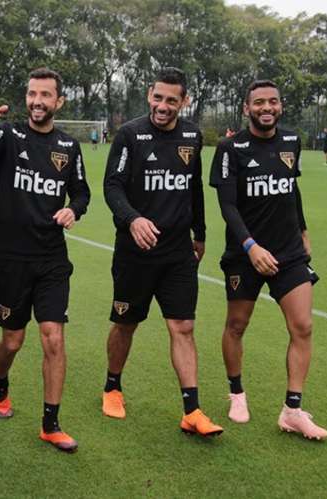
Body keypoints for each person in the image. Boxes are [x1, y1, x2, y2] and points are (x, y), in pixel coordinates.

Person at [0, 67, 91, 452]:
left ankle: (51, 423)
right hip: (12, 259)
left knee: (53, 338)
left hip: (53, 258)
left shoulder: (69, 148)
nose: (38, 102)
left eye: (45, 95)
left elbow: (83, 193)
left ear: (60, 102)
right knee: (13, 341)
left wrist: (74, 210)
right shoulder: (8, 134)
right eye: (32, 94)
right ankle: (0, 382)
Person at [101, 67, 222, 437]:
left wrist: (199, 232)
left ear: (183, 102)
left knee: (183, 326)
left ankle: (192, 410)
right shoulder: (130, 135)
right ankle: (112, 387)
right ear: (149, 95)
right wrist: (133, 220)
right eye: (158, 98)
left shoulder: (191, 136)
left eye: (172, 100)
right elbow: (113, 186)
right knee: (126, 323)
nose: (163, 106)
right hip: (135, 253)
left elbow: (194, 188)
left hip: (177, 253)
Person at [209, 79, 327, 440]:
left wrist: (303, 230)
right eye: (258, 102)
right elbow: (228, 205)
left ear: (281, 106)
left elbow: (292, 189)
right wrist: (250, 246)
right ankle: (237, 393)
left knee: (303, 326)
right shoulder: (231, 148)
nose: (266, 108)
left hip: (289, 252)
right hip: (246, 255)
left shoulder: (292, 141)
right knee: (237, 326)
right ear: (246, 108)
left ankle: (292, 410)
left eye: (272, 102)